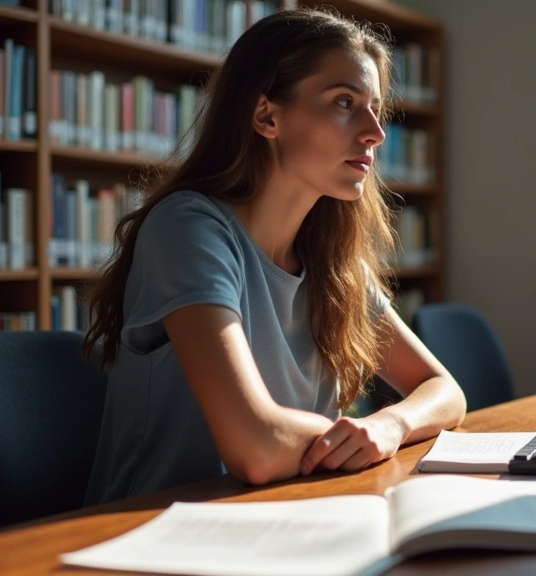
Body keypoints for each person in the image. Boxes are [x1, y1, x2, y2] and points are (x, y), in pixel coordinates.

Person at [80, 8, 467, 505]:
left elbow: (444, 389)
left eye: (376, 108)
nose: (375, 132)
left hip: (287, 515)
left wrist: (389, 424)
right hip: (156, 530)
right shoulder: (188, 229)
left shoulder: (335, 264)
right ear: (267, 115)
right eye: (345, 102)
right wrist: (348, 439)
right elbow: (255, 447)